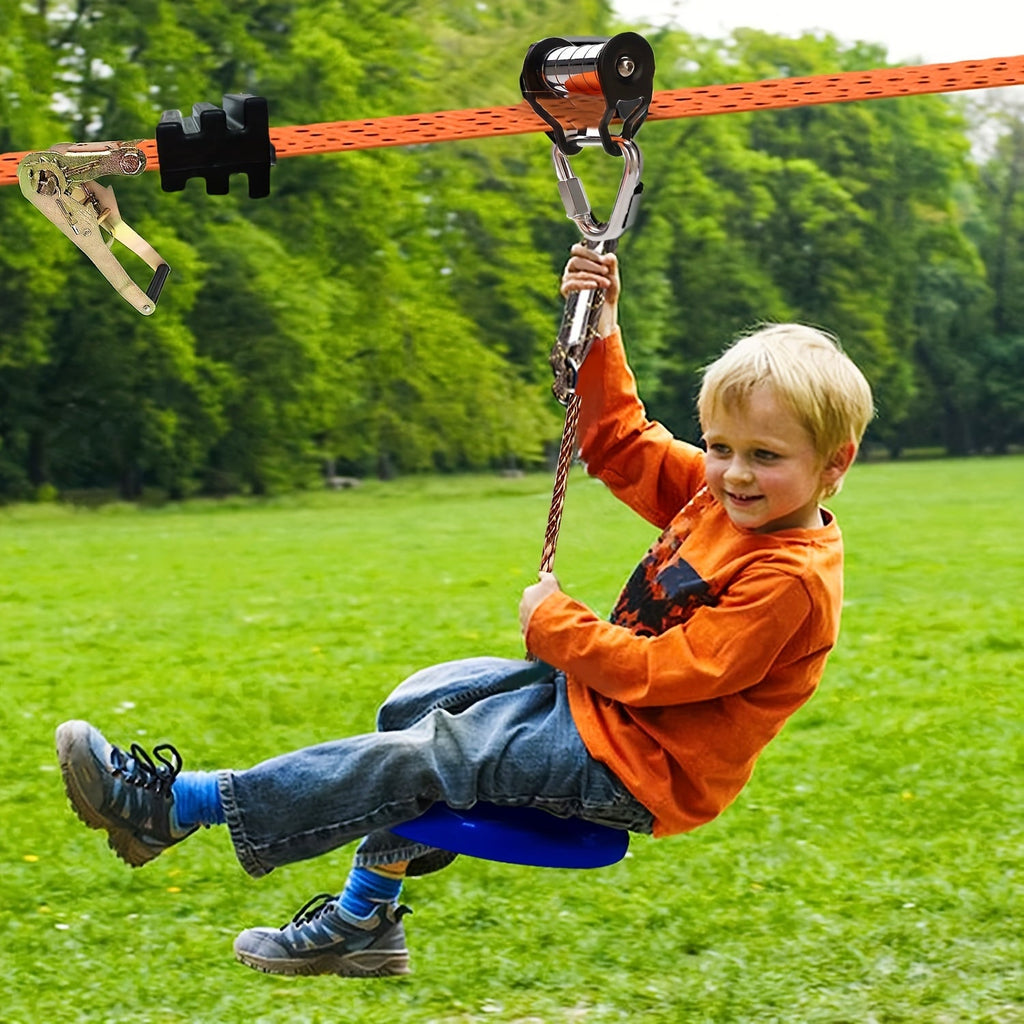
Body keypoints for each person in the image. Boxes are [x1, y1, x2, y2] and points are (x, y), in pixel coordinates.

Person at [56, 243, 874, 979]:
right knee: (418, 705)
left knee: (427, 757)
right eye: (721, 446)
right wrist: (602, 328)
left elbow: (668, 674)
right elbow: (620, 443)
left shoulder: (790, 579)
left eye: (765, 457)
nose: (731, 473)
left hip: (639, 765)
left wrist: (558, 626)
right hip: (592, 710)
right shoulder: (719, 499)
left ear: (834, 465)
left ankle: (177, 807)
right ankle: (362, 923)